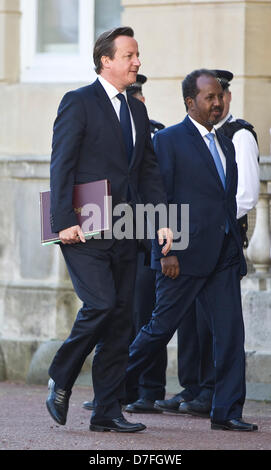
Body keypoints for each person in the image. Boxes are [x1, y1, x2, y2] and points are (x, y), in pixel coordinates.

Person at [45, 26, 172, 434]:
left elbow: (147, 171)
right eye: (130, 55)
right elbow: (61, 163)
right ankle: (61, 374)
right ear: (107, 60)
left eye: (137, 55)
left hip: (127, 228)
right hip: (82, 227)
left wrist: (162, 220)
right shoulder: (78, 102)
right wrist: (62, 220)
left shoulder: (136, 110)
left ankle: (107, 411)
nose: (137, 61)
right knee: (100, 305)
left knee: (119, 320)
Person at [125, 68, 258, 431]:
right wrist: (165, 251)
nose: (218, 103)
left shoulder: (227, 140)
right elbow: (158, 200)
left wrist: (234, 244)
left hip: (224, 256)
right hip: (181, 258)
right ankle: (111, 391)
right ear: (190, 102)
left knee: (231, 336)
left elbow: (226, 199)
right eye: (209, 98)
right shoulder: (168, 140)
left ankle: (227, 412)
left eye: (220, 96)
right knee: (157, 331)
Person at [82, 73, 167, 414]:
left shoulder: (157, 133)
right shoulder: (104, 133)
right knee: (117, 316)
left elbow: (162, 185)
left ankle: (148, 390)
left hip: (146, 239)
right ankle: (114, 393)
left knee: (145, 314)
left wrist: (167, 243)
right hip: (113, 234)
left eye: (136, 96)